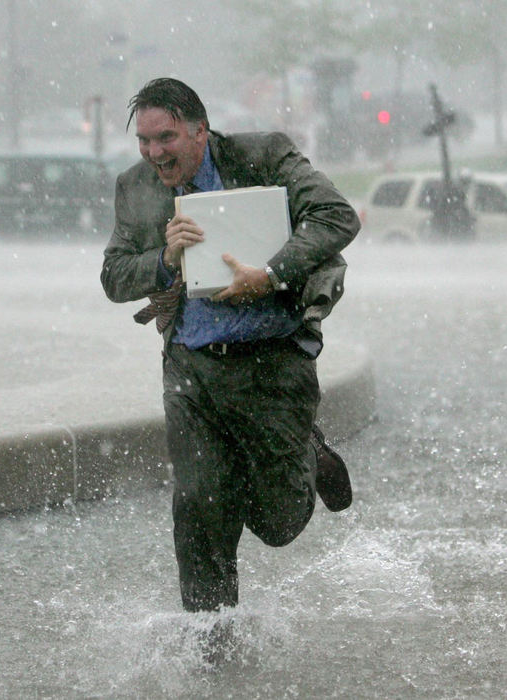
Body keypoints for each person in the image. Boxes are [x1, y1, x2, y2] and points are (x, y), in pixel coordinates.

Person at [101, 78, 359, 612]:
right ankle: (209, 642)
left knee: (278, 522)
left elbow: (337, 217)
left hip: (273, 364)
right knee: (198, 505)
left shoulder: (264, 156)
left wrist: (270, 274)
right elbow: (113, 277)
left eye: (166, 138)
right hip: (192, 372)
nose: (154, 153)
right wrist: (164, 260)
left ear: (200, 130)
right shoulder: (136, 187)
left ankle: (308, 451)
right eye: (145, 141)